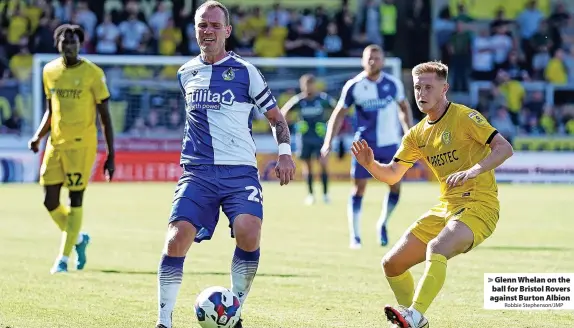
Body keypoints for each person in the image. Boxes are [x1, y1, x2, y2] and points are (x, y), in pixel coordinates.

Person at [154, 2, 296, 328]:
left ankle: (234, 310)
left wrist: (285, 152)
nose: (208, 31)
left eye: (215, 25)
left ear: (227, 31)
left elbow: (276, 117)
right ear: (195, 29)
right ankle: (164, 321)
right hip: (197, 172)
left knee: (249, 232)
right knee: (176, 238)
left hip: (239, 171)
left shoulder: (246, 72)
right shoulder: (185, 72)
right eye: (202, 25)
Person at [351, 60, 514, 328]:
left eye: (428, 87)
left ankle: (414, 315)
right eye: (417, 88)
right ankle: (410, 319)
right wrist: (370, 164)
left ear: (444, 89)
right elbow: (392, 174)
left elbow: (504, 148)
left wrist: (474, 170)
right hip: (446, 208)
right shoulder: (416, 134)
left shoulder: (464, 117)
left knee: (436, 247)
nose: (421, 94)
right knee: (392, 264)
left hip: (480, 206)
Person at [28, 24, 115, 274]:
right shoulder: (49, 71)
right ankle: (77, 238)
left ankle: (63, 259)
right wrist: (38, 137)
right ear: (57, 44)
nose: (69, 46)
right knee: (49, 200)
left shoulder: (93, 74)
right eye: (64, 42)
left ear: (80, 45)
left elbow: (105, 118)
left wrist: (111, 155)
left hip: (81, 146)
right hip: (55, 144)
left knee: (75, 198)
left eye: (73, 42)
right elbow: (50, 110)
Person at [321, 44, 413, 248]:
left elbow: (404, 109)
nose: (373, 61)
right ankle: (355, 235)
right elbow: (339, 113)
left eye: (377, 58)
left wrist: (410, 133)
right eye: (369, 58)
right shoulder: (354, 85)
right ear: (363, 61)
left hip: (391, 145)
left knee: (395, 186)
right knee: (358, 189)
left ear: (383, 61)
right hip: (364, 146)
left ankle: (383, 223)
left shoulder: (393, 84)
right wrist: (329, 141)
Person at [281, 74, 336, 205]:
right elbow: (283, 113)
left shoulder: (323, 99)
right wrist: (295, 125)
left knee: (323, 164)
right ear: (301, 86)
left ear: (314, 85)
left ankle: (325, 194)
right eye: (305, 85)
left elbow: (338, 110)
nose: (307, 87)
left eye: (310, 84)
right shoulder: (298, 100)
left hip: (320, 138)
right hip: (305, 138)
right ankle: (311, 195)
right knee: (308, 167)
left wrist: (327, 124)